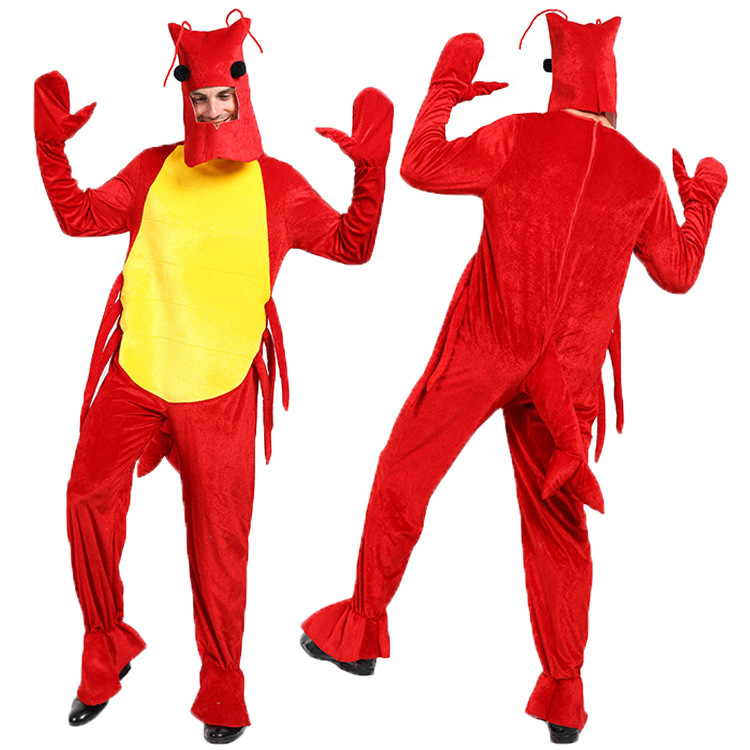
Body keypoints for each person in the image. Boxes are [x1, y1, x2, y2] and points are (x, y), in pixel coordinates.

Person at [300, 12, 726, 745]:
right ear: (613, 86)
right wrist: (703, 201)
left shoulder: (520, 134)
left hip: (487, 345)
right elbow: (679, 273)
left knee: (405, 469)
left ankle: (362, 628)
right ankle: (564, 692)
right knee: (557, 524)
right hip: (570, 373)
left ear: (557, 76)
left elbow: (420, 165)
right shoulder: (642, 175)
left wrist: (448, 87)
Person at [34, 11, 393, 745]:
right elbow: (79, 217)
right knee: (86, 498)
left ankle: (222, 684)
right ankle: (105, 646)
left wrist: (368, 171)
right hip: (138, 373)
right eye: (198, 99)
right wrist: (51, 149)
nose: (211, 111)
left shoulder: (277, 186)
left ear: (243, 92)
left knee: (219, 542)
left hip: (221, 388)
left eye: (222, 98)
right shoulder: (151, 170)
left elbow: (353, 246)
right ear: (184, 98)